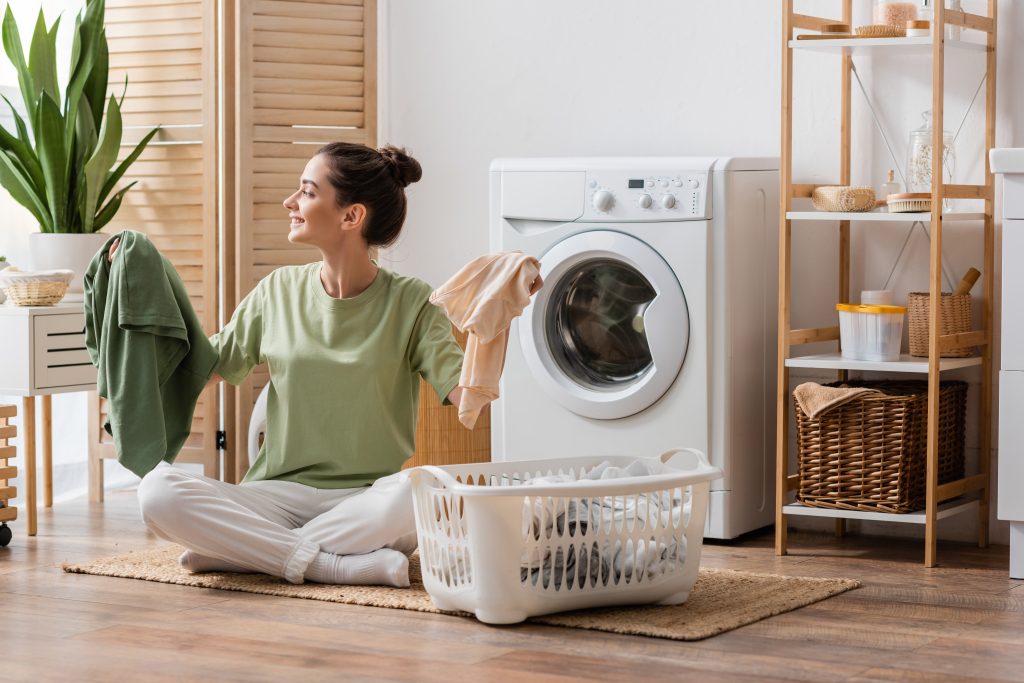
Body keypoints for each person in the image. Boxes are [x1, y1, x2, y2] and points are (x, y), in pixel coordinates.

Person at [116, 143, 538, 587]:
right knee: (158, 491)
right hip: (275, 495)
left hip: (368, 501)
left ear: (350, 216)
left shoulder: (412, 301)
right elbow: (204, 366)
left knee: (418, 493)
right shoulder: (277, 290)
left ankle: (247, 553)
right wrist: (137, 282)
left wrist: (502, 309)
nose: (290, 203)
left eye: (307, 192)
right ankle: (328, 565)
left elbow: (469, 398)